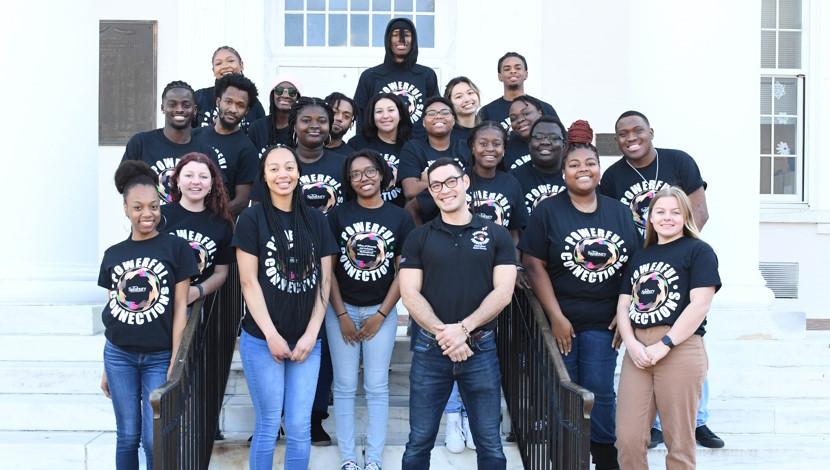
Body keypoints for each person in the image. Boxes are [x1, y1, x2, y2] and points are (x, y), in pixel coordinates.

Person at [520, 120, 640, 470]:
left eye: (590, 163)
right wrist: (556, 317)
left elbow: (633, 266)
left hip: (604, 322)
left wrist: (624, 315)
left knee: (600, 389)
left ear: (600, 171)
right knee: (565, 391)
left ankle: (604, 457)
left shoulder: (618, 212)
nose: (583, 169)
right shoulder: (548, 211)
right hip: (563, 320)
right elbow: (534, 264)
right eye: (574, 165)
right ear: (563, 173)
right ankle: (568, 457)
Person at [600, 110, 721, 449]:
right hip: (642, 272)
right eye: (622, 133)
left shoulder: (678, 162)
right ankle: (653, 423)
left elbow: (699, 209)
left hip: (679, 263)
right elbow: (614, 227)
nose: (630, 137)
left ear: (651, 131)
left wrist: (678, 250)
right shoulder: (612, 177)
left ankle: (698, 421)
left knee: (689, 335)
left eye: (637, 130)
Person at [399, 157, 517, 470]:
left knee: (489, 442)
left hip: (480, 348)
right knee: (418, 442)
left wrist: (463, 329)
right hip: (429, 347)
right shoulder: (419, 238)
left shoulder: (496, 235)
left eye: (451, 181)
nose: (444, 190)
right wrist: (445, 333)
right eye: (436, 185)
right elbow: (409, 293)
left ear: (465, 182)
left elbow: (503, 292)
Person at [232, 145, 339, 470]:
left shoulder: (316, 220)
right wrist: (271, 335)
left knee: (298, 426)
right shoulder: (252, 219)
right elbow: (248, 283)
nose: (283, 174)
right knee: (267, 426)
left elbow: (324, 281)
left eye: (289, 167)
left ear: (298, 173)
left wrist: (310, 335)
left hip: (307, 340)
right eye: (274, 168)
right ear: (264, 176)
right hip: (262, 339)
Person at [98, 161, 198, 470]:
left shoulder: (177, 248)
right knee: (127, 435)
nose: (147, 213)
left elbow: (181, 307)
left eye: (153, 206)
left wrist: (175, 359)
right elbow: (113, 313)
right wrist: (106, 368)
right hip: (119, 356)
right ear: (126, 209)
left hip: (159, 356)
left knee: (155, 437)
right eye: (138, 207)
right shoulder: (113, 255)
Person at [615, 187, 721, 470]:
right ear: (650, 218)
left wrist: (665, 344)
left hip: (679, 348)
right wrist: (632, 344)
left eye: (675, 212)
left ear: (686, 216)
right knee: (627, 439)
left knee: (679, 443)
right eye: (660, 212)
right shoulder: (640, 255)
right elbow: (624, 306)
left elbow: (699, 305)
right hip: (638, 352)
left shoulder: (699, 251)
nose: (667, 218)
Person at [325, 150, 415, 470]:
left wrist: (381, 315)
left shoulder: (400, 217)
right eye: (356, 174)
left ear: (381, 173)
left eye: (370, 171)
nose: (364, 178)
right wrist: (341, 315)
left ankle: (374, 459)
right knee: (345, 386)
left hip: (382, 310)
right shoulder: (337, 216)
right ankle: (349, 458)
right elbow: (329, 273)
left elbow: (401, 272)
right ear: (349, 181)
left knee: (376, 386)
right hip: (342, 310)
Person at [122, 80, 213, 204]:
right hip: (152, 222)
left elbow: (214, 193)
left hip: (193, 222)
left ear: (195, 110)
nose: (179, 109)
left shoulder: (206, 150)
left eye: (186, 105)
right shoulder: (141, 143)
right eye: (172, 104)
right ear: (162, 108)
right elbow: (124, 184)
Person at [162, 152, 234, 308]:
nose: (196, 182)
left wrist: (198, 291)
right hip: (159, 302)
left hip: (192, 306)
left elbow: (221, 273)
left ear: (212, 183)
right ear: (177, 181)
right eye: (188, 175)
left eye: (203, 176)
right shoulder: (160, 216)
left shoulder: (222, 224)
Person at [353, 17, 439, 138]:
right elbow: (360, 116)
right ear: (388, 39)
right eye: (395, 34)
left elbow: (436, 112)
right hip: (378, 147)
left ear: (413, 40)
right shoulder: (370, 76)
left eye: (407, 35)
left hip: (418, 145)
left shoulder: (426, 75)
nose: (401, 40)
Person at [193, 73, 260, 216]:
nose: (233, 109)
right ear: (218, 101)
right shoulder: (194, 136)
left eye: (240, 105)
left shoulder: (248, 150)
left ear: (247, 111)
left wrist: (207, 218)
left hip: (221, 229)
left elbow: (241, 201)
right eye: (228, 102)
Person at [398, 97, 471, 223]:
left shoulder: (464, 148)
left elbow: (473, 184)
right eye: (431, 113)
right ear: (423, 122)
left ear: (454, 120)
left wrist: (430, 182)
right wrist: (454, 182)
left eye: (445, 112)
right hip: (427, 222)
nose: (438, 116)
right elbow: (410, 190)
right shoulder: (413, 148)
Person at [348, 93, 413, 207]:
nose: (385, 116)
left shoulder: (412, 146)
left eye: (391, 110)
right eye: (379, 111)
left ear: (401, 114)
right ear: (372, 116)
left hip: (401, 214)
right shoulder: (357, 143)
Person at [478, 52, 558, 131]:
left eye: (518, 68)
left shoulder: (544, 108)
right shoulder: (487, 112)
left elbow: (560, 137)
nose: (513, 71)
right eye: (507, 69)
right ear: (500, 76)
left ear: (526, 74)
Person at [194, 46, 265, 131]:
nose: (225, 66)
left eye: (230, 61)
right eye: (218, 63)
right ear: (213, 70)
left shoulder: (253, 103)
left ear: (241, 65)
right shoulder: (200, 97)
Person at [510, 115, 568, 214]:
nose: (545, 142)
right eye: (538, 137)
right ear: (529, 144)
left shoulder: (575, 176)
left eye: (554, 138)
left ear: (564, 145)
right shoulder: (513, 180)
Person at [248, 77, 303, 154]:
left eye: (292, 92)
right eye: (279, 90)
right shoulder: (257, 128)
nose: (285, 95)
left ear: (298, 97)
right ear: (272, 94)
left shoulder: (303, 129)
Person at [503, 95, 546, 170]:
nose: (520, 120)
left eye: (526, 114)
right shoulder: (506, 147)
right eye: (513, 118)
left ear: (540, 113)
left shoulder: (558, 142)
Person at [443, 76, 481, 144]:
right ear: (449, 103)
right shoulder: (446, 136)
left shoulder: (487, 130)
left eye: (470, 93)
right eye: (459, 97)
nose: (467, 99)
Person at [325, 92, 358, 156]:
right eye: (334, 112)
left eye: (346, 116)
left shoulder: (352, 158)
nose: (339, 118)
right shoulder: (304, 148)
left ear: (351, 123)